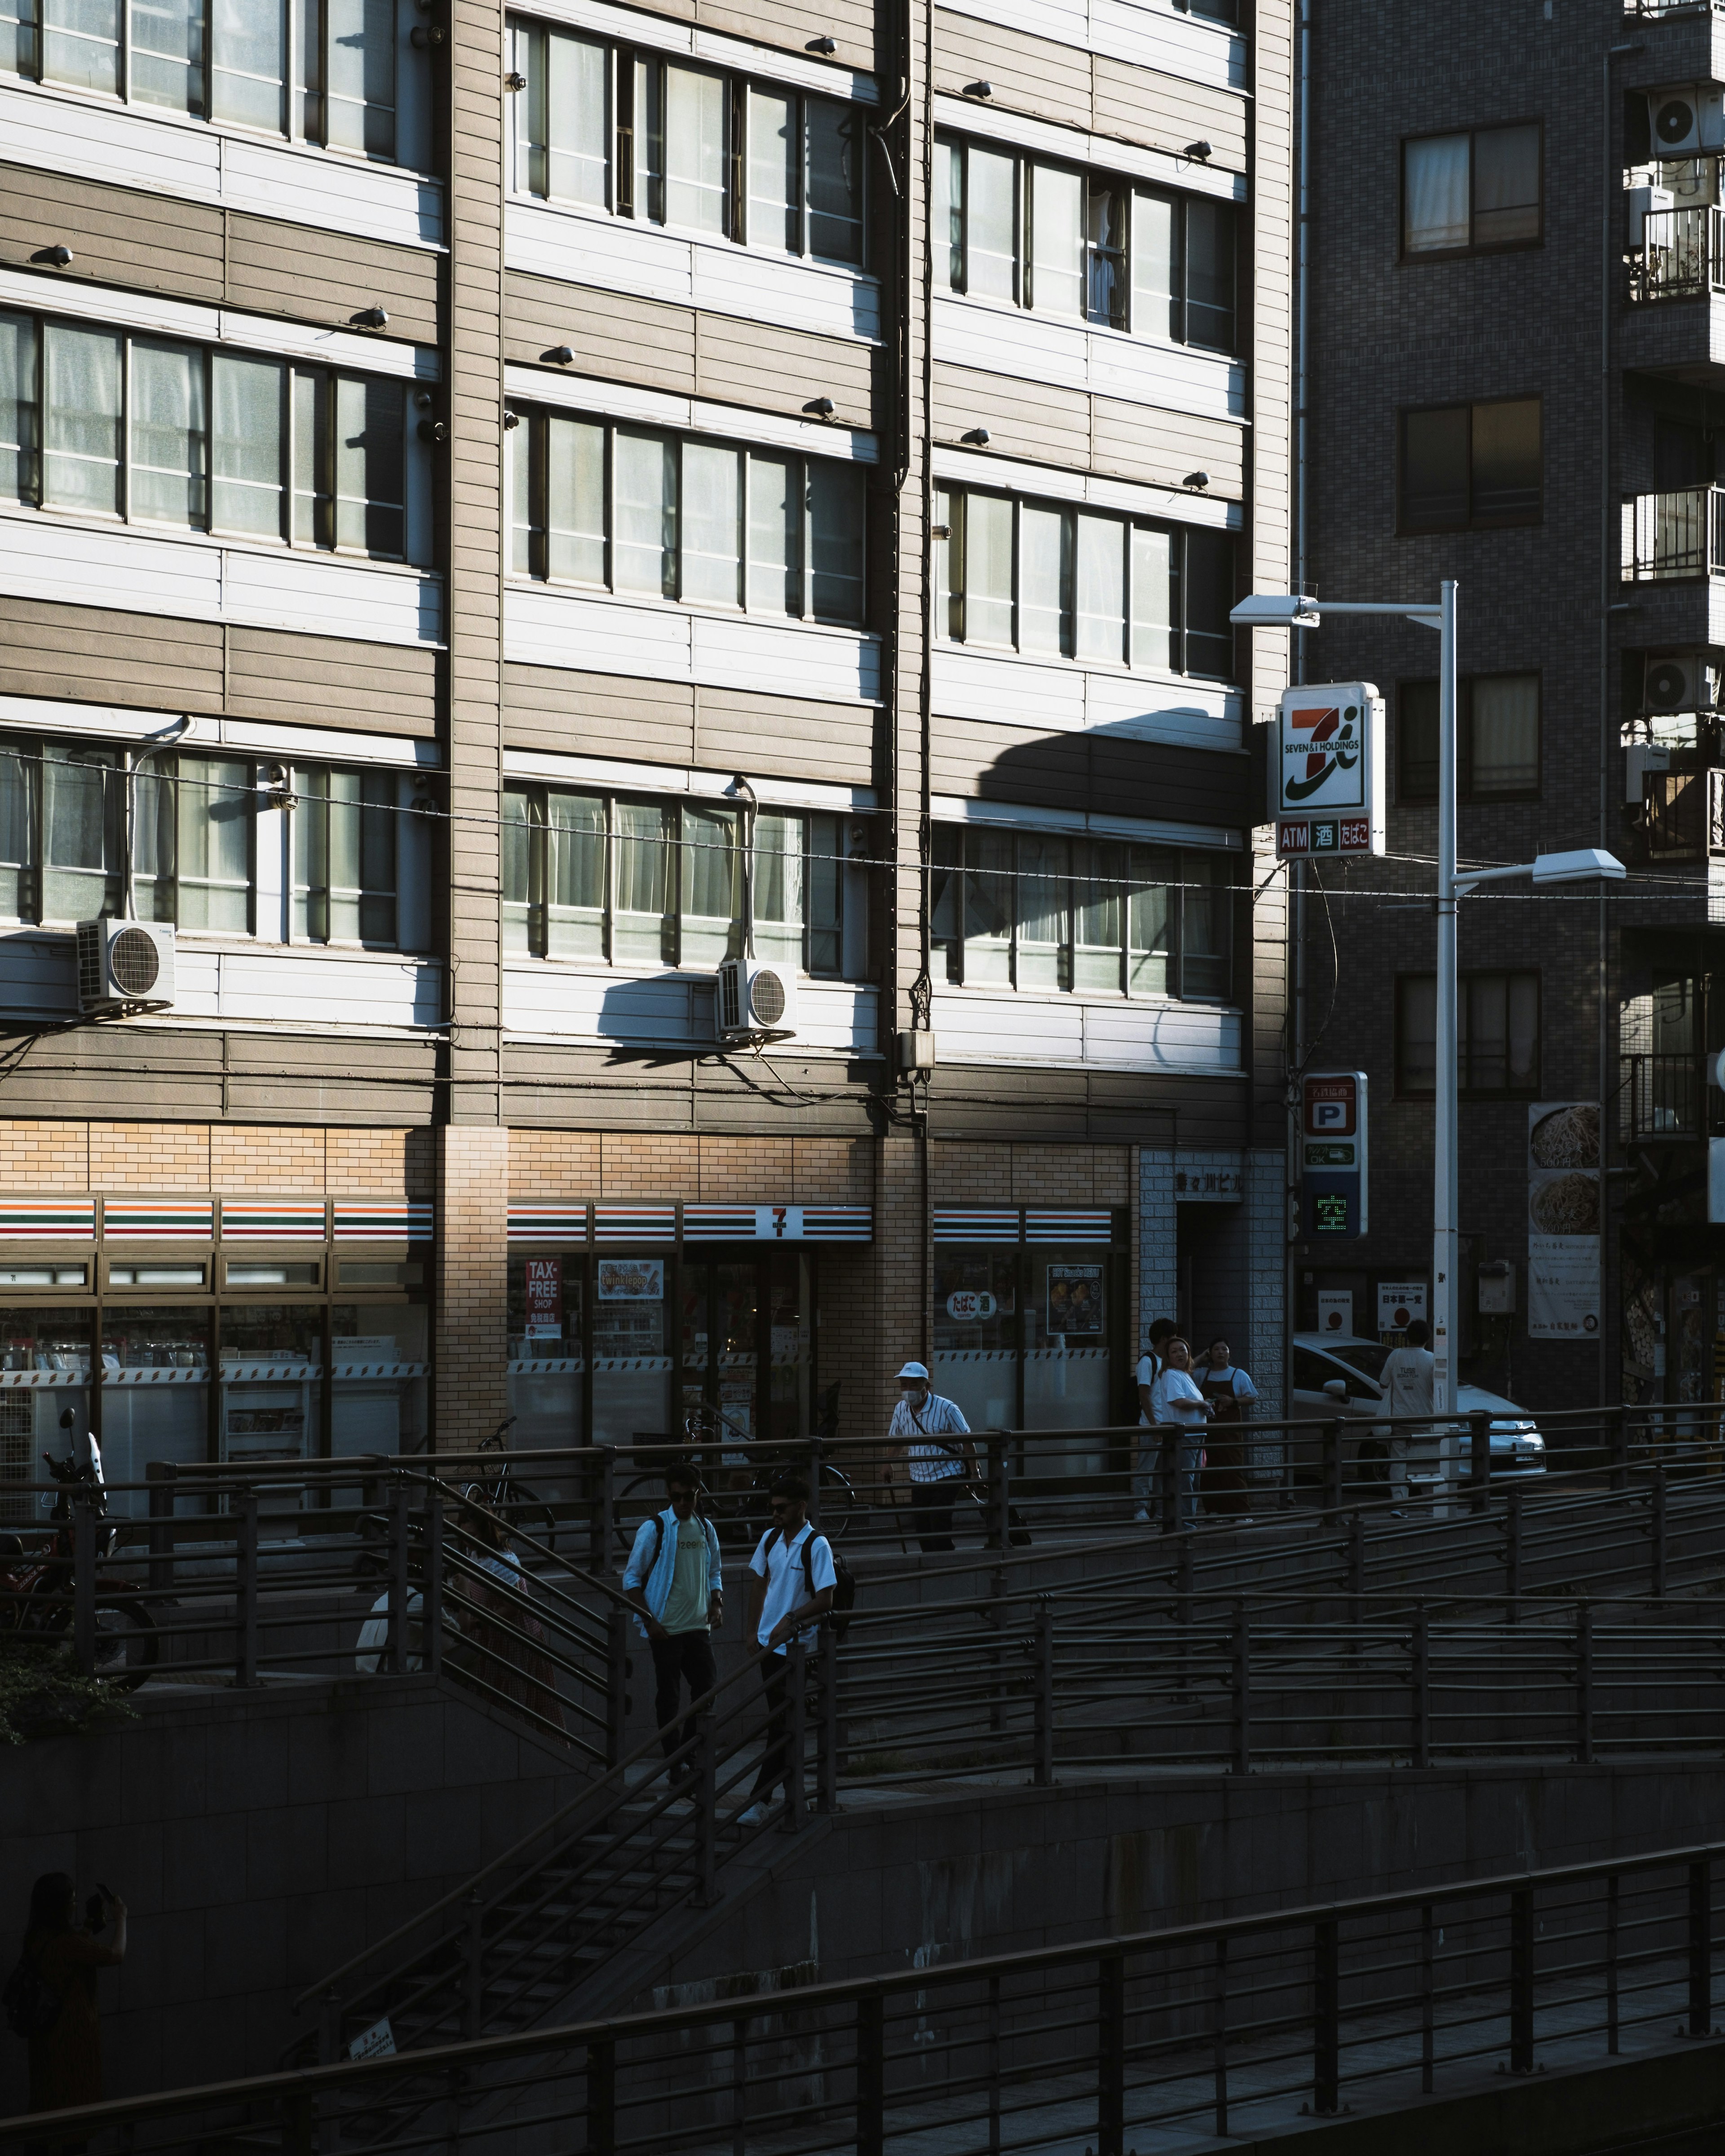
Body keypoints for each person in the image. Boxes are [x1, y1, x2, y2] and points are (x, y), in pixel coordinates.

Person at [739, 1475, 836, 1825]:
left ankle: (759, 1800)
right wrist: (753, 1631)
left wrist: (791, 1619)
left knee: (781, 1725)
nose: (775, 1514)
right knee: (784, 1723)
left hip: (797, 1649)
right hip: (769, 1647)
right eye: (772, 1508)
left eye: (781, 1508)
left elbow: (826, 1599)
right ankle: (795, 1797)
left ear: (800, 1507)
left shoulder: (816, 1545)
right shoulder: (769, 1540)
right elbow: (759, 1585)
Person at [621, 1463, 725, 1785]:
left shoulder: (706, 1528)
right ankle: (675, 1763)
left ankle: (688, 1754)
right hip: (665, 1629)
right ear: (668, 1494)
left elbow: (715, 1572)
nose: (683, 1503)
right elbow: (631, 1579)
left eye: (689, 1497)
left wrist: (717, 1602)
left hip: (697, 1627)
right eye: (677, 1497)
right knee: (669, 1696)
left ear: (698, 1493)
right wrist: (650, 1621)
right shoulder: (655, 1529)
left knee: (707, 1690)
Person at [18, 1873, 126, 2113]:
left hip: (45, 2037)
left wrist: (87, 1928)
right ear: (61, 1907)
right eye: (72, 1901)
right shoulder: (69, 1943)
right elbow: (117, 1955)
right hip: (72, 2038)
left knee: (47, 2105)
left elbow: (65, 1961)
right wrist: (122, 1919)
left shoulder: (37, 1937)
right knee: (75, 2107)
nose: (75, 1906)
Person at [887, 1361, 976, 1553]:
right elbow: (897, 1440)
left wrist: (974, 1472)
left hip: (948, 1473)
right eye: (904, 1385)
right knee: (922, 1526)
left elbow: (968, 1440)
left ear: (926, 1386)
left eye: (914, 1385)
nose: (908, 1390)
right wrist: (887, 1463)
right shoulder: (901, 1409)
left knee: (939, 1521)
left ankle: (945, 1562)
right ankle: (930, 1563)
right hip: (919, 1476)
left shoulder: (947, 1408)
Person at [1150, 1336, 1211, 1529]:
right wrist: (1202, 1404)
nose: (1180, 1354)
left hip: (1195, 1435)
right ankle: (1183, 1523)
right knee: (1185, 1481)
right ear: (1168, 1357)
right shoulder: (1170, 1374)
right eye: (1174, 1351)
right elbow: (1179, 1402)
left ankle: (1188, 1520)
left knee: (1192, 1482)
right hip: (1184, 1435)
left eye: (1183, 1350)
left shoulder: (1185, 1374)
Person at [1199, 1339, 1259, 1518]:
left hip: (1230, 1432)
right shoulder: (1202, 1374)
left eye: (1224, 1349)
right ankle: (1214, 1511)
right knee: (1209, 1472)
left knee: (1232, 1470)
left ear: (1229, 1354)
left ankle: (1241, 1512)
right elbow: (1184, 1370)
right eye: (1216, 1349)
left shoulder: (1239, 1375)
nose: (1220, 1352)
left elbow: (1252, 1398)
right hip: (1208, 1431)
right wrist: (1201, 1357)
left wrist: (1233, 1401)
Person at [1380, 1318, 1437, 1504]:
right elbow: (1439, 1389)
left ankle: (1399, 1505)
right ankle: (1431, 1506)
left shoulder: (1396, 1356)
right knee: (1425, 1465)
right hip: (1423, 1420)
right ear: (1428, 1338)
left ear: (1408, 1337)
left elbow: (1383, 1383)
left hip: (1398, 1420)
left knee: (1398, 1464)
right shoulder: (1431, 1359)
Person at [1133, 1319, 1177, 1522]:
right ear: (1164, 1339)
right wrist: (1153, 1426)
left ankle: (1160, 1510)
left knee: (1162, 1472)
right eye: (1173, 1338)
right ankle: (1140, 1509)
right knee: (1146, 1470)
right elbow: (1144, 1395)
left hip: (1166, 1426)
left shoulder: (1167, 1363)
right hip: (1151, 1426)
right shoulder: (1148, 1361)